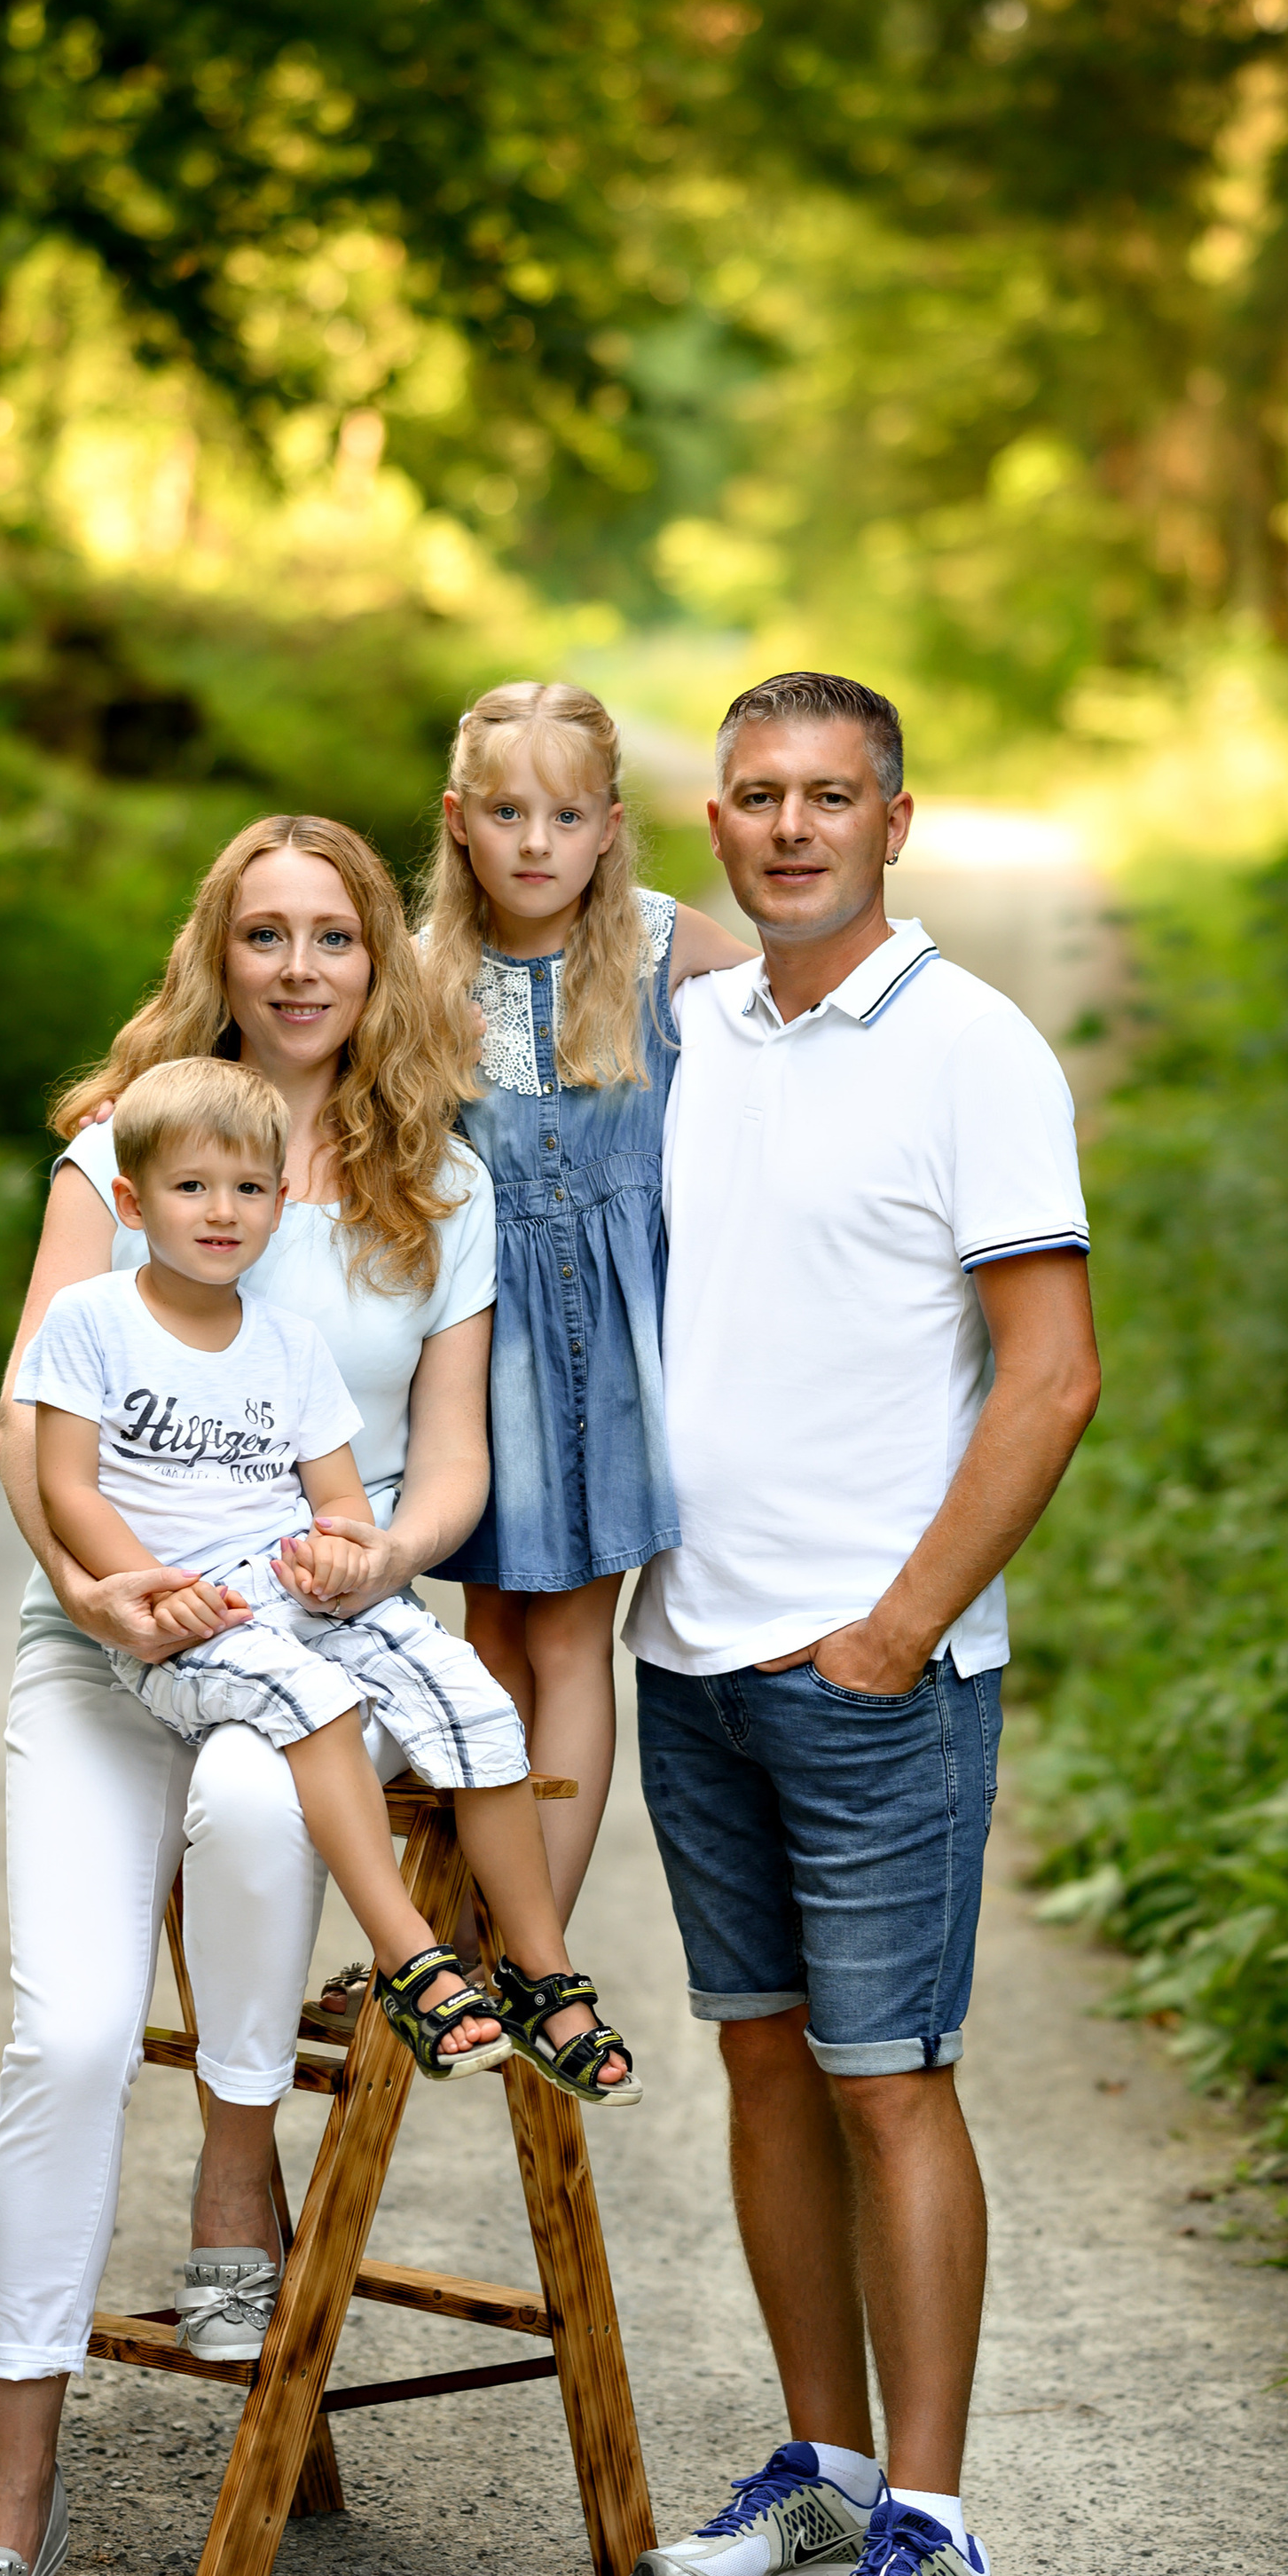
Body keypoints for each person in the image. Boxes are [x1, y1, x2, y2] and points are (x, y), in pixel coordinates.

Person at [0, 812, 623, 2576]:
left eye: (334, 934)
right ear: (218, 956)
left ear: (380, 957)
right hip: (107, 1634)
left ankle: (237, 2173)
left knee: (257, 1794)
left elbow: (452, 1457)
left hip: (315, 1630)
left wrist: (382, 1554)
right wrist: (89, 1589)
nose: (300, 968)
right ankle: (14, 2484)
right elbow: (25, 1420)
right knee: (68, 2033)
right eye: (266, 935)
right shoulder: (133, 1138)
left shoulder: (437, 1182)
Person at [624, 671, 1102, 2576]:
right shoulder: (696, 1032)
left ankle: (937, 2532)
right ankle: (821, 2476)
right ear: (716, 823)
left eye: (832, 796)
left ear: (897, 823)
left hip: (875, 1674)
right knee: (760, 2063)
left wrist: (900, 1624)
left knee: (887, 2078)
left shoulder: (973, 1048)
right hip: (689, 1654)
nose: (792, 826)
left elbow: (1050, 1375)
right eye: (756, 795)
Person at [18, 1050, 640, 2100]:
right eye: (190, 1187)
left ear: (281, 1204)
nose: (222, 1211)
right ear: (132, 1202)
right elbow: (66, 1486)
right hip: (190, 1619)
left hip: (295, 1596)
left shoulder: (291, 1344)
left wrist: (346, 1551)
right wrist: (152, 1585)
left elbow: (338, 1497)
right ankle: (413, 1959)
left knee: (476, 1702)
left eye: (248, 1189)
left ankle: (539, 1972)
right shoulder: (96, 1322)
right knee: (316, 1702)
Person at [416, 681, 749, 1919]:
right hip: (478, 1345)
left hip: (614, 1346)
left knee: (567, 1639)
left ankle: (529, 1943)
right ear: (459, 820)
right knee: (487, 1638)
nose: (536, 844)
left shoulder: (664, 943)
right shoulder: (422, 974)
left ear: (610, 827)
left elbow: (801, 1025)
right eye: (507, 812)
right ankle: (474, 1925)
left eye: (565, 816)